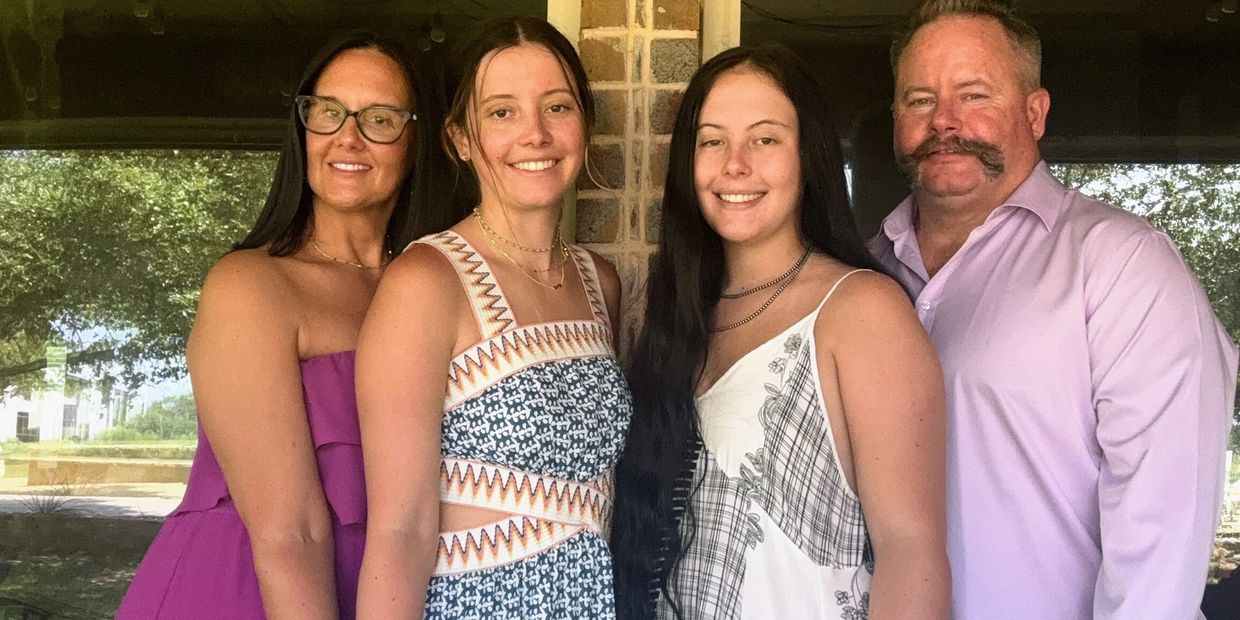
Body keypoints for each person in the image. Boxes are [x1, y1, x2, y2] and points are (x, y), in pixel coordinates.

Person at [870, 1, 1240, 617]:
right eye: (919, 100)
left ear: (1034, 113)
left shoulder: (1121, 265)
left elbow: (1161, 537)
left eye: (974, 95)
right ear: (895, 120)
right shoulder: (864, 272)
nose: (945, 122)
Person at [118, 31, 456, 619]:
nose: (346, 137)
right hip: (252, 594)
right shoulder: (250, 285)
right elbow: (290, 535)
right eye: (328, 112)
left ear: (420, 140)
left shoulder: (432, 286)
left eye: (379, 118)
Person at [611, 45, 951, 619]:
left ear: (807, 156)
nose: (735, 164)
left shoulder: (861, 311)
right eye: (711, 140)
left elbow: (911, 553)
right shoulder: (676, 318)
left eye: (765, 139)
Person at [354, 17, 631, 619]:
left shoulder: (597, 281)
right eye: (501, 112)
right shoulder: (427, 282)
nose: (535, 134)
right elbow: (399, 531)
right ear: (459, 136)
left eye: (557, 107)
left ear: (584, 124)